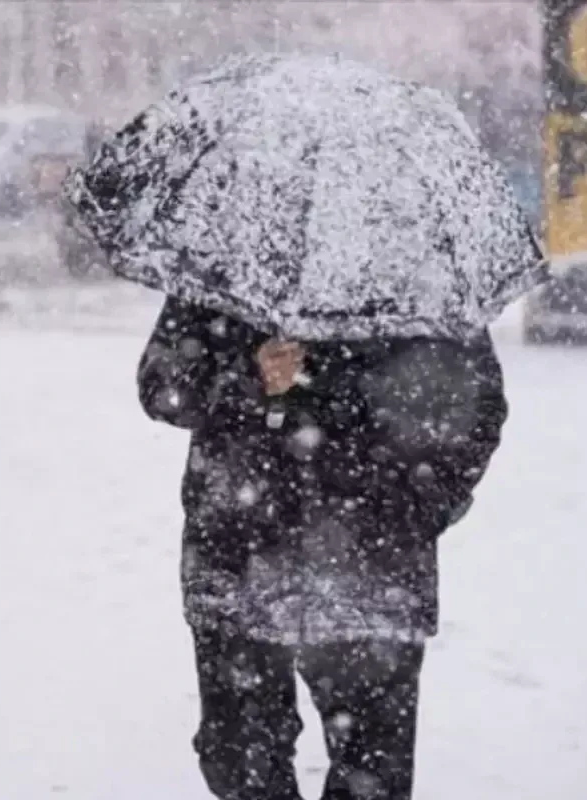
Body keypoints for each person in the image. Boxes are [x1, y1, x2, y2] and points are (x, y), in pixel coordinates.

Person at [137, 298, 508, 800]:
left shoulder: (418, 269)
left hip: (373, 565)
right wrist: (249, 377)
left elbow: (478, 406)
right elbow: (162, 386)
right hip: (240, 555)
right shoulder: (230, 257)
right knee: (240, 759)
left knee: (372, 773)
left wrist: (417, 506)